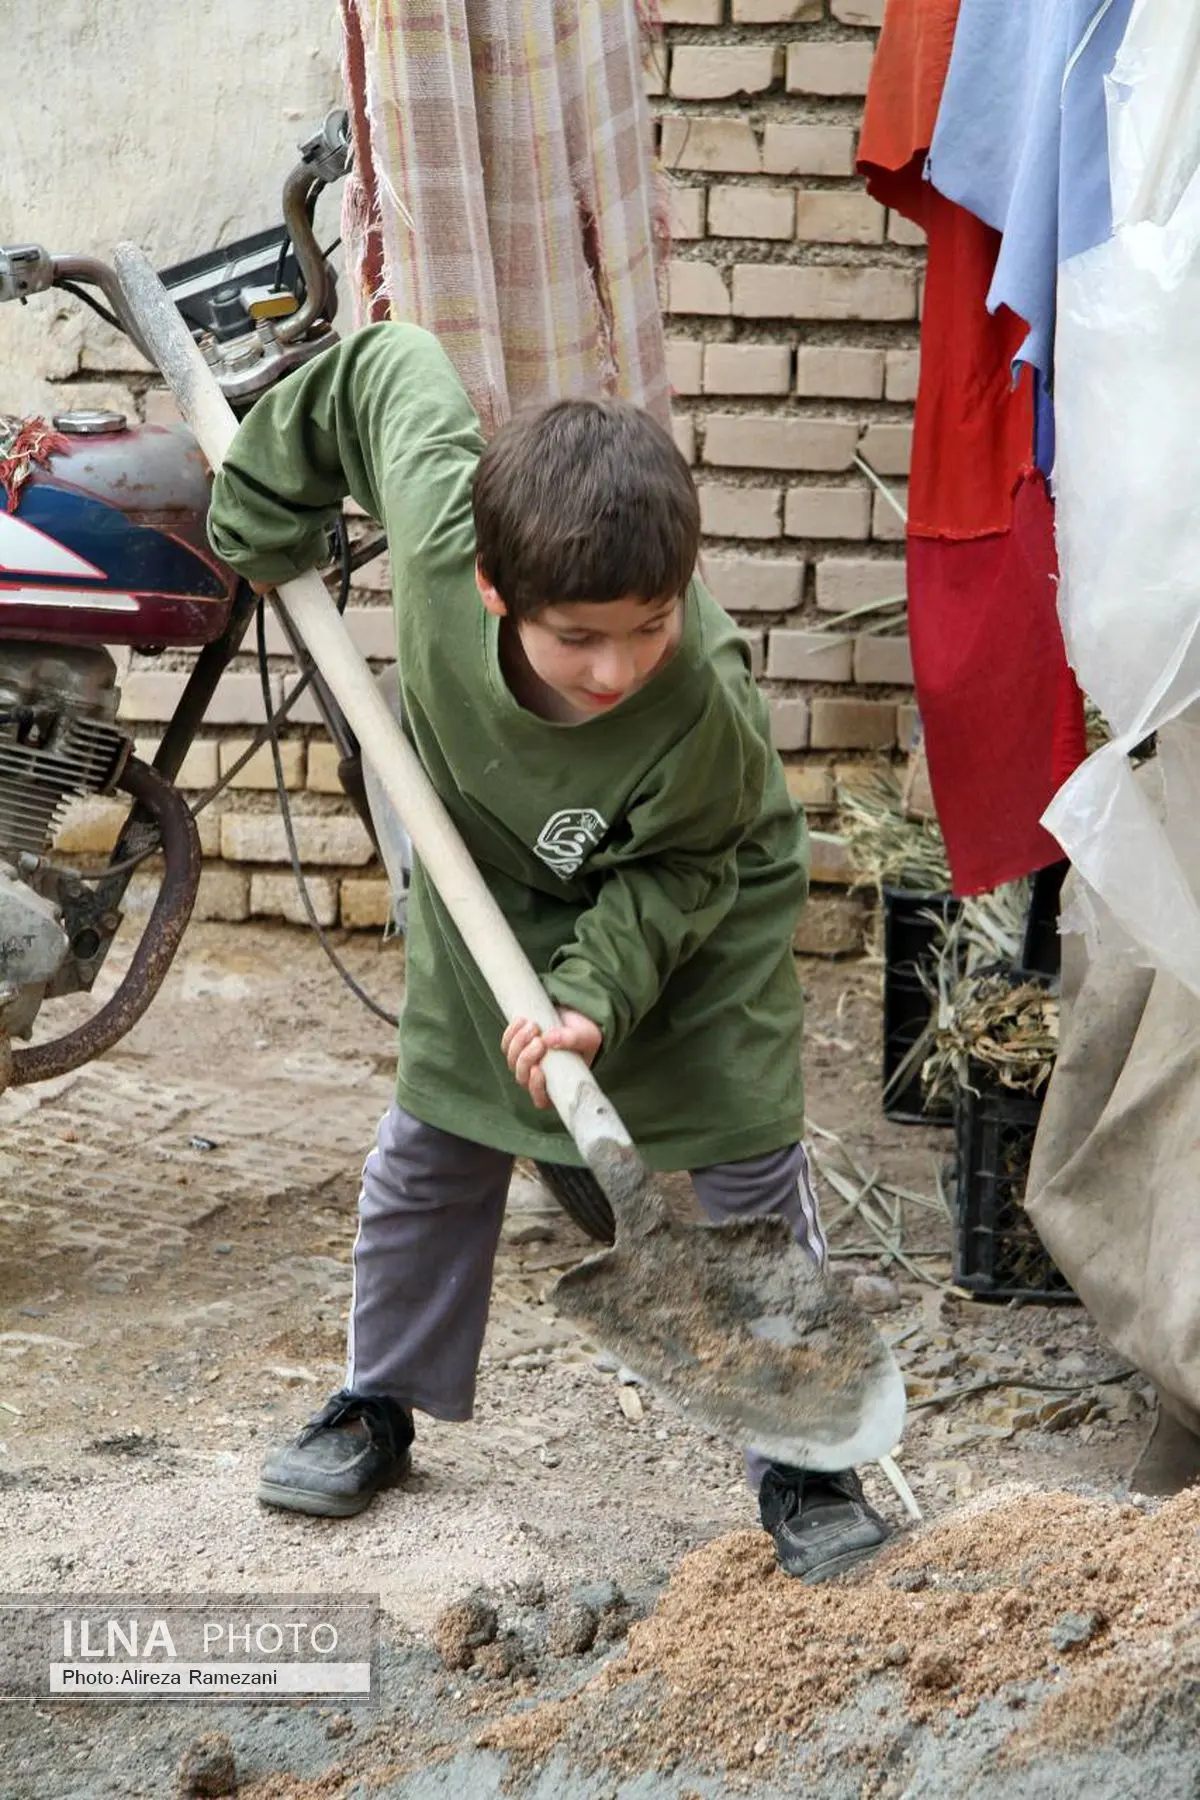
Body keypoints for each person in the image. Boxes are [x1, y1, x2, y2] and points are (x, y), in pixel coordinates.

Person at [207, 320, 889, 1584]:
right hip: (496, 894)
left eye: (649, 626)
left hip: (695, 911)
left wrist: (588, 1002)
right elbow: (379, 368)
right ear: (493, 591)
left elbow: (685, 868)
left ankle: (805, 1454)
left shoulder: (701, 705)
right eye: (578, 637)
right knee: (436, 1143)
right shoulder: (439, 532)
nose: (618, 667)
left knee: (745, 1167)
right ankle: (379, 1402)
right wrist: (256, 504)